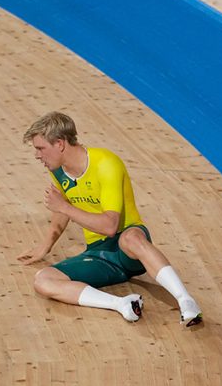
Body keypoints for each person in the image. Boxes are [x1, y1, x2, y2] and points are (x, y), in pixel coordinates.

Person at [17, 112, 203, 326]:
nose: (37, 155)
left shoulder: (106, 163)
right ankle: (122, 304)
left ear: (59, 143)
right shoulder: (58, 171)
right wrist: (45, 245)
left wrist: (65, 207)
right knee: (43, 280)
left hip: (128, 246)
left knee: (130, 238)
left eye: (40, 148)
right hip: (99, 254)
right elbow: (61, 208)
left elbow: (109, 226)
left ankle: (186, 301)